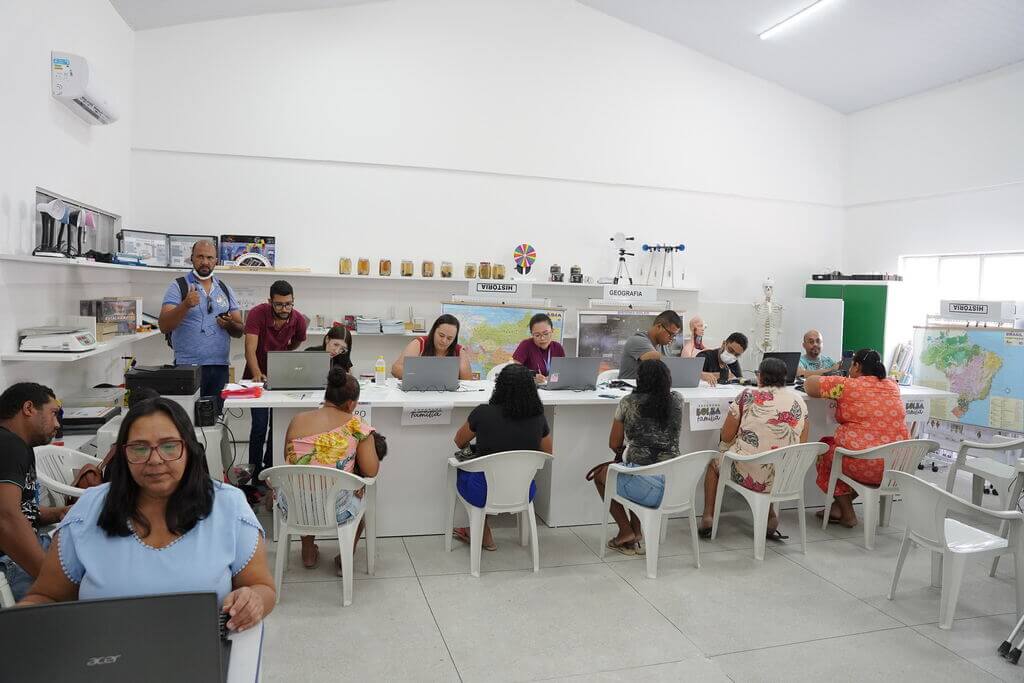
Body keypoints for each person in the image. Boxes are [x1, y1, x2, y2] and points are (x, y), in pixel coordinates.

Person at [20, 398, 276, 633]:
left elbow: (262, 587)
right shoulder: (89, 510)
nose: (154, 460)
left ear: (189, 449)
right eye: (139, 448)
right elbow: (46, 596)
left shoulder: (228, 506)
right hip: (106, 655)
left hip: (203, 652)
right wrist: (19, 622)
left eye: (169, 446)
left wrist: (252, 601)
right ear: (123, 454)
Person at [698, 357, 809, 539]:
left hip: (752, 474)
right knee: (772, 458)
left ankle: (708, 517)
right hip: (786, 477)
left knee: (714, 464)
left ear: (760, 377)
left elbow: (726, 436)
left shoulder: (747, 396)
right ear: (785, 378)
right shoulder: (799, 402)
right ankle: (770, 516)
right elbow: (802, 444)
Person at [282, 369, 379, 572]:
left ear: (326, 395)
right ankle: (345, 559)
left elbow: (288, 459)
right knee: (361, 503)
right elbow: (371, 471)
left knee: (305, 487)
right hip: (336, 510)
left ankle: (308, 551)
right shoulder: (357, 426)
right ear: (351, 404)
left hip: (294, 506)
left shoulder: (297, 420)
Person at [451, 364, 552, 551]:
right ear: (531, 389)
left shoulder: (483, 412)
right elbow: (547, 453)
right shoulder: (539, 418)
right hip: (524, 490)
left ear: (498, 386)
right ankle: (482, 532)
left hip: (483, 491)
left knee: (462, 470)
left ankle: (481, 532)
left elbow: (459, 441)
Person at [804, 349, 908, 528]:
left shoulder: (846, 385)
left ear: (857, 366)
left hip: (865, 465)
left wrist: (832, 376)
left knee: (826, 449)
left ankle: (847, 513)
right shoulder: (892, 385)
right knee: (848, 451)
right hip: (897, 464)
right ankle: (838, 507)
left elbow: (809, 385)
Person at [591, 359, 682, 555]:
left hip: (647, 487)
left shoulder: (628, 402)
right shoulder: (677, 400)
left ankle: (626, 531)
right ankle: (636, 532)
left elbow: (614, 443)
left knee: (602, 475)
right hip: (675, 485)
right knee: (633, 470)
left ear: (639, 380)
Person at [0, 383, 67, 601]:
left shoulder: (18, 447)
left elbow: (21, 509)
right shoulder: (9, 445)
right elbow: (6, 517)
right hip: (11, 564)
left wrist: (59, 513)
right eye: (53, 413)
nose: (57, 424)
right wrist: (52, 582)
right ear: (28, 408)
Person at [159, 240, 244, 412]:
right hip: (187, 367)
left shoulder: (225, 289)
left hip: (220, 367)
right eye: (200, 257)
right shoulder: (179, 286)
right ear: (192, 258)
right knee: (187, 418)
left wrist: (229, 325)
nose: (205, 262)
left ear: (216, 261)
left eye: (210, 258)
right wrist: (185, 305)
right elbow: (164, 326)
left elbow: (239, 330)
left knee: (215, 419)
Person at [243, 280, 308, 476]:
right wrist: (257, 373)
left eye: (288, 304)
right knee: (260, 425)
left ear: (293, 300)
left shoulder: (298, 318)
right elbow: (249, 349)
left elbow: (297, 341)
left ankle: (270, 468)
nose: (284, 309)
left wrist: (285, 353)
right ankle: (255, 472)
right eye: (279, 304)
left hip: (281, 376)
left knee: (277, 424)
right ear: (270, 301)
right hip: (256, 376)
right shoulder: (257, 313)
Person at [391, 314, 472, 380]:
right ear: (433, 331)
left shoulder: (459, 350)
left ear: (454, 339)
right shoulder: (419, 343)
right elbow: (395, 369)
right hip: (419, 391)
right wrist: (422, 377)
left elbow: (468, 381)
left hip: (448, 394)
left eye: (449, 338)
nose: (444, 341)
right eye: (441, 335)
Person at [618, 310, 683, 381]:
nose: (672, 338)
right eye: (670, 334)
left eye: (674, 336)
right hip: (628, 387)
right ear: (659, 327)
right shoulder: (637, 340)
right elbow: (658, 361)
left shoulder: (663, 345)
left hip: (649, 386)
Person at [511, 313, 565, 382]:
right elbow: (514, 370)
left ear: (552, 331)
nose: (542, 338)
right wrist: (532, 375)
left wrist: (553, 378)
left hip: (552, 387)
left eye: (546, 334)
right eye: (537, 335)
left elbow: (562, 372)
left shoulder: (558, 347)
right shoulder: (526, 345)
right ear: (532, 334)